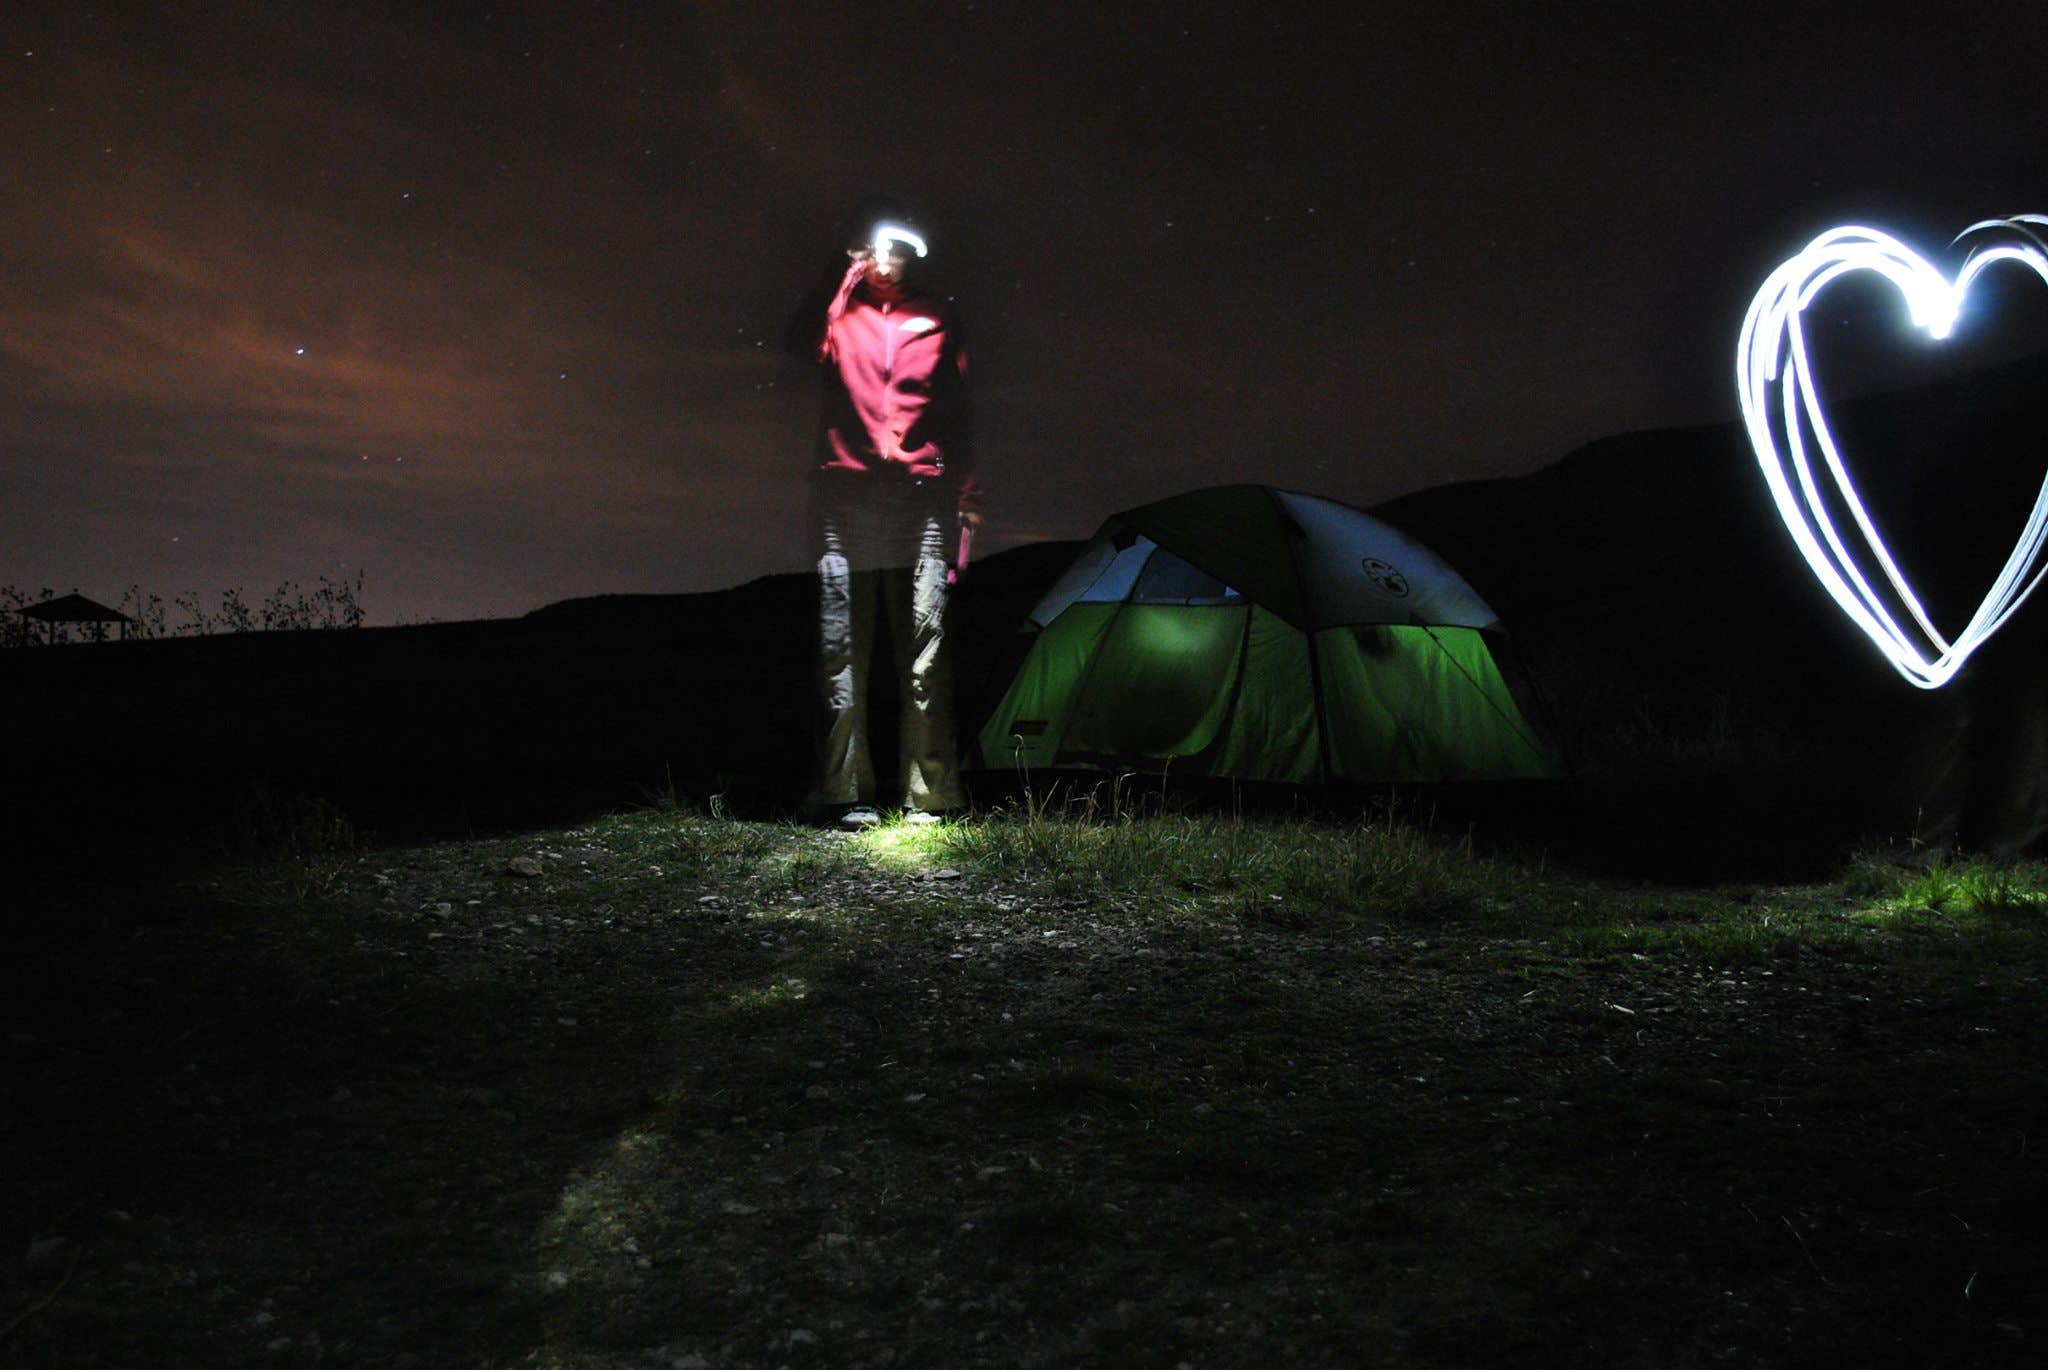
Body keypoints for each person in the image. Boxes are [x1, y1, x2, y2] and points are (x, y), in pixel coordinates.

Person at [799, 208, 979, 829]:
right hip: (843, 501)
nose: (883, 259)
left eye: (894, 250)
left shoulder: (939, 319)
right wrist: (842, 279)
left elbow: (959, 414)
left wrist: (967, 499)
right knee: (839, 646)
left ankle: (927, 796)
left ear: (914, 255)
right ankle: (845, 793)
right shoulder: (838, 315)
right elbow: (803, 345)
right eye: (872, 250)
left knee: (925, 648)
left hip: (921, 500)